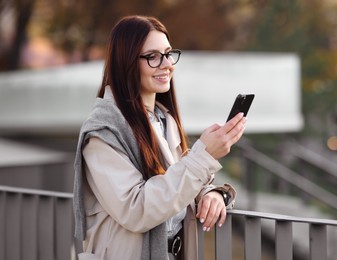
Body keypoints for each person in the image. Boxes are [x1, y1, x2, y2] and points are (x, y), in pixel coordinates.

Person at [73, 15, 246, 260]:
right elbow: (136, 209)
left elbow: (172, 185)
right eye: (152, 56)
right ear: (126, 63)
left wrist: (213, 194)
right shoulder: (103, 132)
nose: (167, 64)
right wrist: (204, 157)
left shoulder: (164, 120)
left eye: (168, 53)